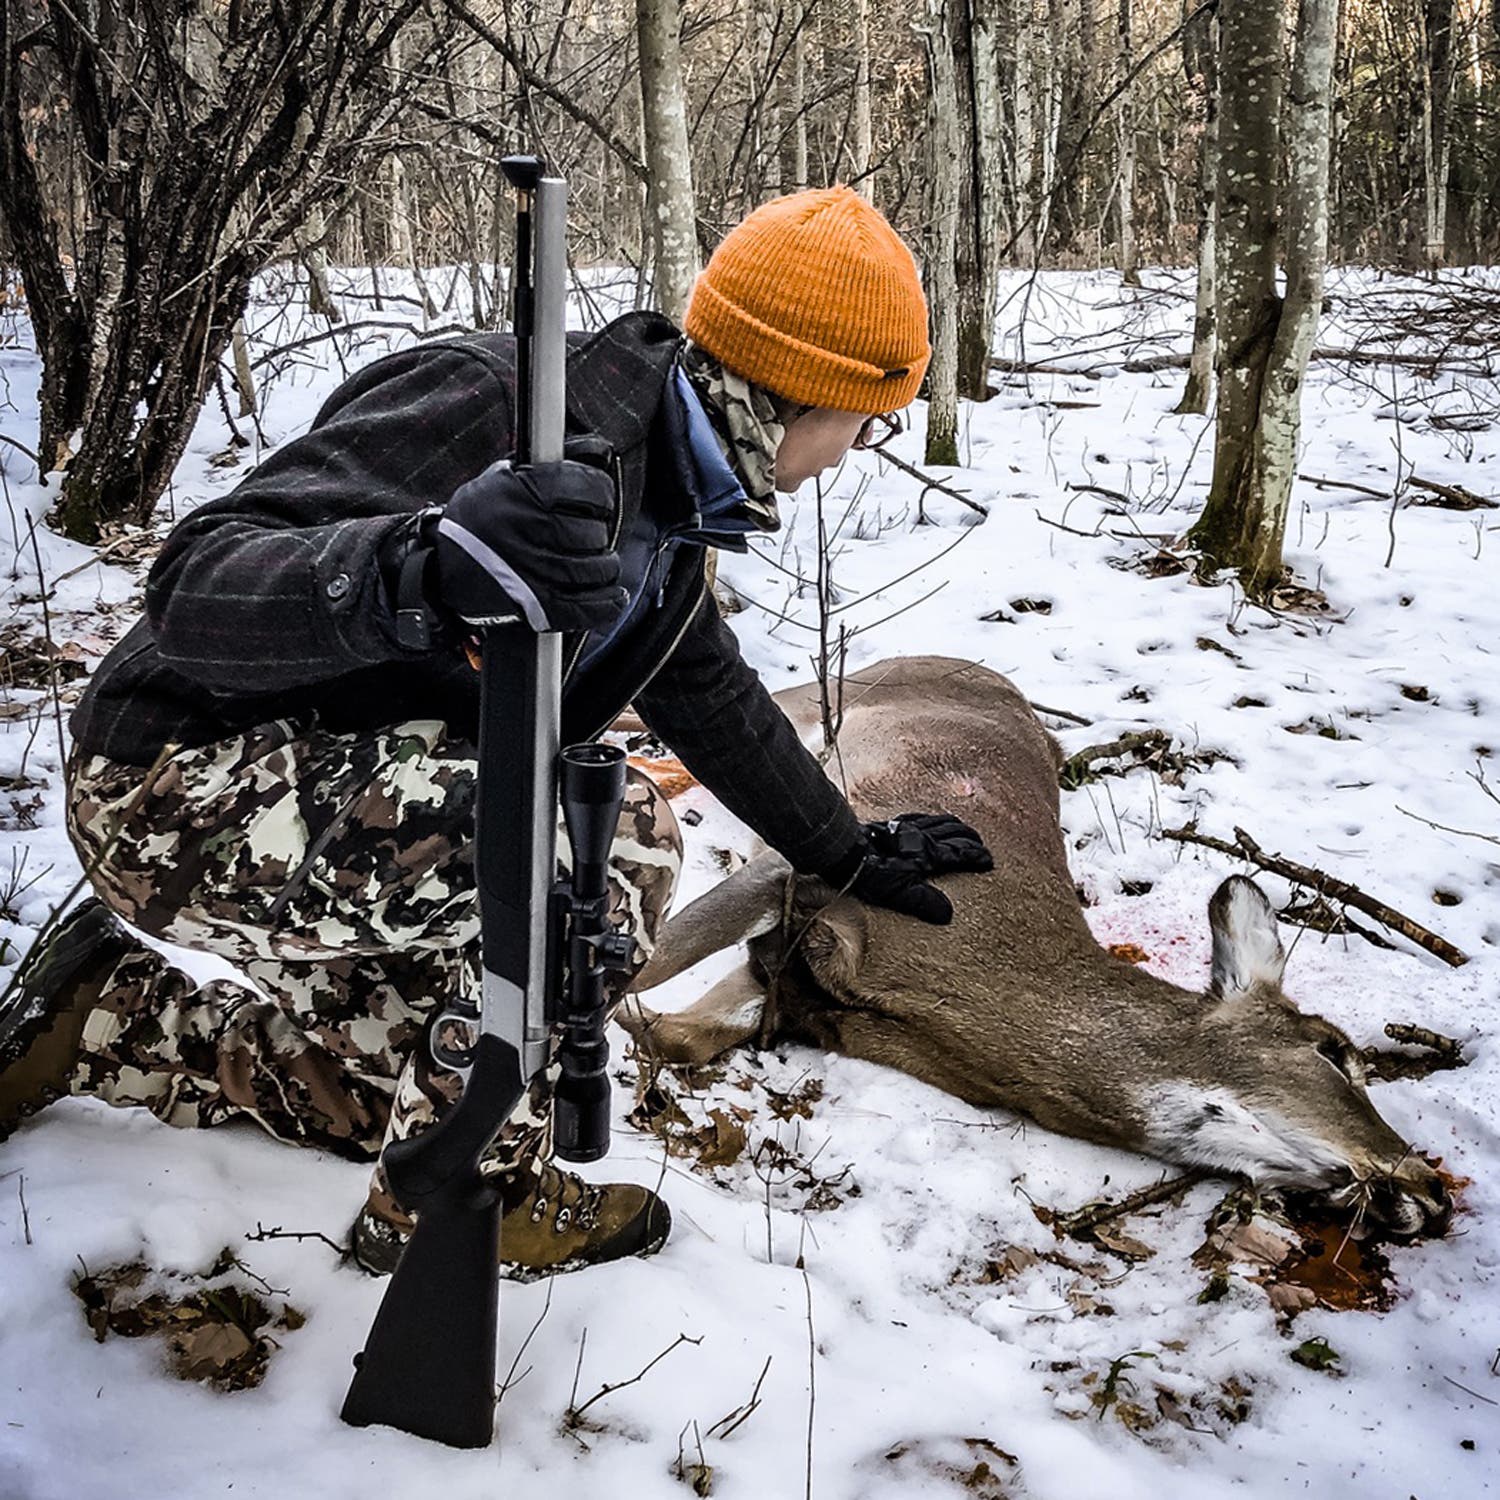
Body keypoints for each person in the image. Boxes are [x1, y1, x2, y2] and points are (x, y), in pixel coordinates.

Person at [0, 186, 992, 1276]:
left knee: (407, 1089)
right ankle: (460, 1202)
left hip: (334, 799)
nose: (852, 453)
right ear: (806, 391)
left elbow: (708, 695)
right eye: (866, 418)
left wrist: (845, 848)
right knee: (615, 834)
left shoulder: (672, 500)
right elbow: (192, 588)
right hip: (173, 782)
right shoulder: (500, 402)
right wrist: (421, 562)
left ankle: (102, 1019)